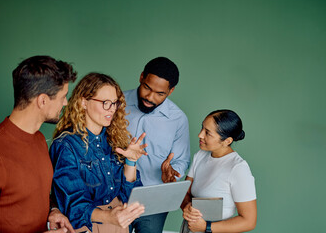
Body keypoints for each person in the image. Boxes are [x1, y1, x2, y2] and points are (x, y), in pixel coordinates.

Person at [0, 55, 77, 232]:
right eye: (63, 96)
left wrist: (53, 212)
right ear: (42, 101)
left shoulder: (40, 140)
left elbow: (33, 196)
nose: (66, 102)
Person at [50, 72, 147, 233]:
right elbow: (72, 204)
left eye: (115, 103)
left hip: (118, 223)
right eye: (105, 103)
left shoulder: (116, 140)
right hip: (86, 226)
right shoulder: (66, 145)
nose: (112, 109)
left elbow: (128, 197)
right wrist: (108, 217)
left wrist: (131, 162)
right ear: (83, 102)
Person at [124, 57, 191, 233]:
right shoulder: (116, 104)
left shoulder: (178, 119)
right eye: (147, 87)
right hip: (113, 196)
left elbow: (181, 160)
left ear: (171, 91)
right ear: (141, 77)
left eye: (160, 94)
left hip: (153, 199)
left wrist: (172, 175)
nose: (150, 97)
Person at [181, 110, 257, 233]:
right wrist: (187, 206)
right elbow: (185, 193)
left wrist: (206, 227)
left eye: (208, 133)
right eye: (202, 128)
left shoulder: (238, 168)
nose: (200, 135)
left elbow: (249, 221)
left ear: (227, 141)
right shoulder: (200, 156)